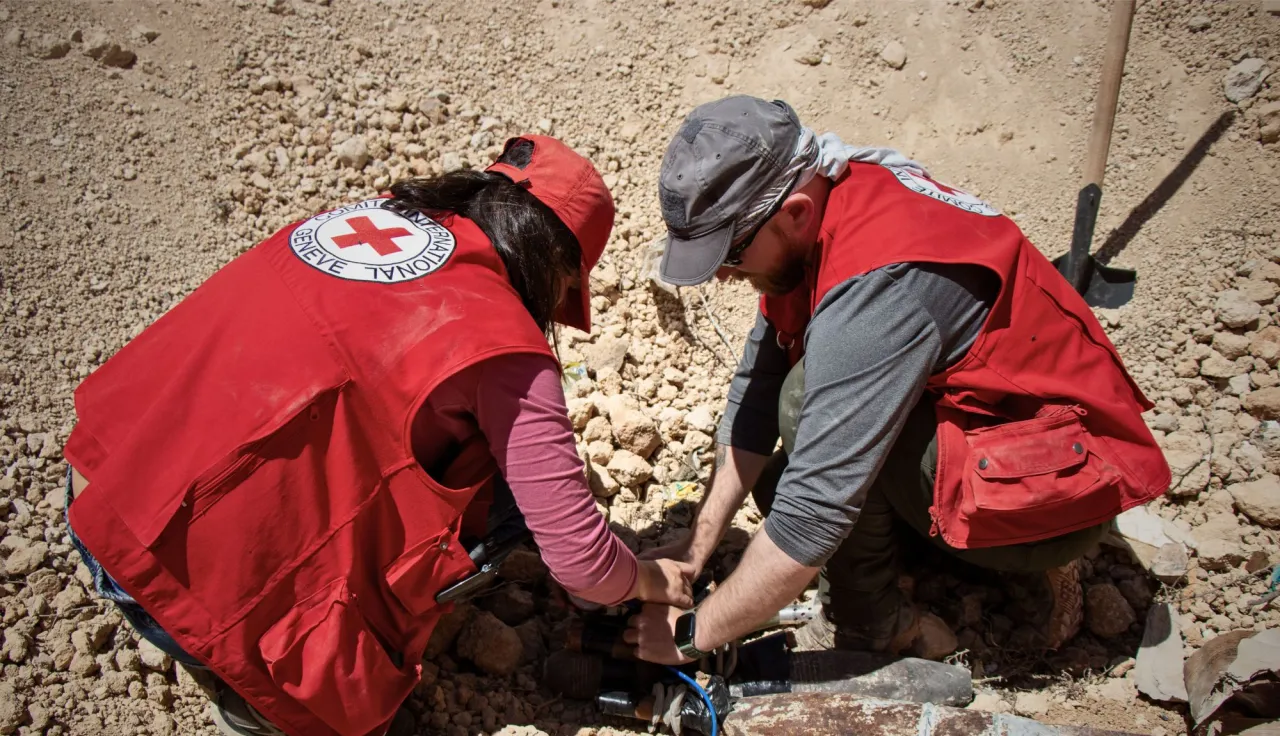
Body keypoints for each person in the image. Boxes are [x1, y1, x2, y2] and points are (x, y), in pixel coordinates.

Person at [62, 135, 694, 736]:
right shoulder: (505, 349)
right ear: (554, 263)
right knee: (505, 501)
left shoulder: (372, 217)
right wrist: (646, 580)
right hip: (181, 595)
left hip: (105, 482)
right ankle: (261, 697)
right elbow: (583, 566)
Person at [626, 96, 1170, 665]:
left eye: (730, 253)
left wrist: (691, 636)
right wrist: (696, 545)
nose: (725, 275)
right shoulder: (829, 208)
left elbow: (811, 519)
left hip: (1059, 489)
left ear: (796, 212)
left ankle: (875, 627)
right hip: (995, 437)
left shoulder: (879, 289)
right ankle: (935, 562)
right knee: (789, 446)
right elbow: (754, 398)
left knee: (808, 405)